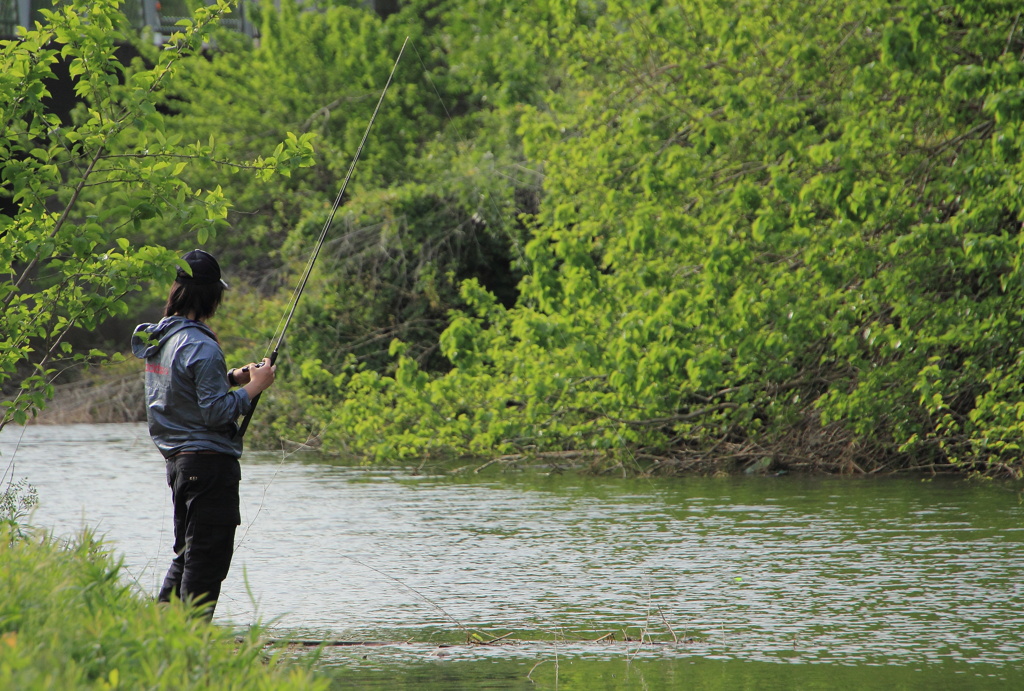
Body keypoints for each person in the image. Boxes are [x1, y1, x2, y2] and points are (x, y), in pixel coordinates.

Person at [131, 248, 275, 619]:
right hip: (209, 468)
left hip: (180, 466)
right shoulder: (202, 345)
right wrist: (254, 388)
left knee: (188, 554)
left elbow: (185, 388)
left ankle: (161, 630)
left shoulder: (159, 339)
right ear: (212, 296)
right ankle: (193, 637)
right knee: (206, 559)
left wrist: (235, 378)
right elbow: (215, 413)